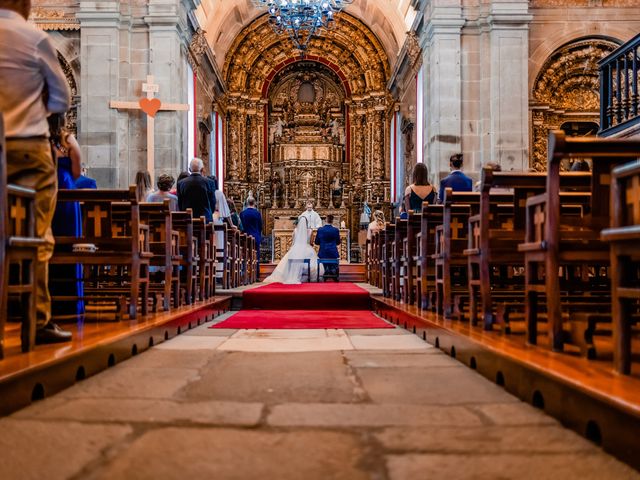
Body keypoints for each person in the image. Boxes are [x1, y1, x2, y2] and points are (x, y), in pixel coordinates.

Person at [0, 0, 72, 343]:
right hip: (28, 147)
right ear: (24, 6)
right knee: (37, 231)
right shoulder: (33, 37)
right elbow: (62, 98)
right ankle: (38, 321)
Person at [48, 113, 84, 317]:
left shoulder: (41, 137)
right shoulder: (68, 139)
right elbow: (77, 171)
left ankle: (47, 300)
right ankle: (70, 302)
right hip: (66, 191)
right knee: (68, 243)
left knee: (48, 242)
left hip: (45, 189)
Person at [263, 216, 320, 284]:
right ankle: (307, 276)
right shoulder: (310, 231)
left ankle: (292, 274)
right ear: (306, 223)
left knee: (289, 260)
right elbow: (311, 243)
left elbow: (293, 240)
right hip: (307, 249)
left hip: (296, 248)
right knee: (313, 261)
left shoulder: (295, 230)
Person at [177, 158, 215, 222]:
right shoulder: (210, 182)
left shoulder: (181, 183)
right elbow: (212, 203)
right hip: (205, 219)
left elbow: (180, 203)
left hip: (187, 219)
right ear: (202, 169)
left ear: (189, 169)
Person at [315, 214, 341, 280]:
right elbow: (338, 242)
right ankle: (332, 272)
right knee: (332, 261)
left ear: (325, 220)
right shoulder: (335, 230)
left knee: (324, 260)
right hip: (333, 252)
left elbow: (316, 242)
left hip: (323, 252)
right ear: (332, 221)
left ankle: (325, 272)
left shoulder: (320, 230)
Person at [240, 197, 263, 269]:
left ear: (246, 203)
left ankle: (244, 272)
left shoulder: (242, 213)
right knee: (256, 255)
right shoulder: (257, 213)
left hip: (245, 236)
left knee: (244, 255)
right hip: (255, 236)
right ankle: (256, 273)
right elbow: (260, 226)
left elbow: (241, 226)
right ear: (254, 203)